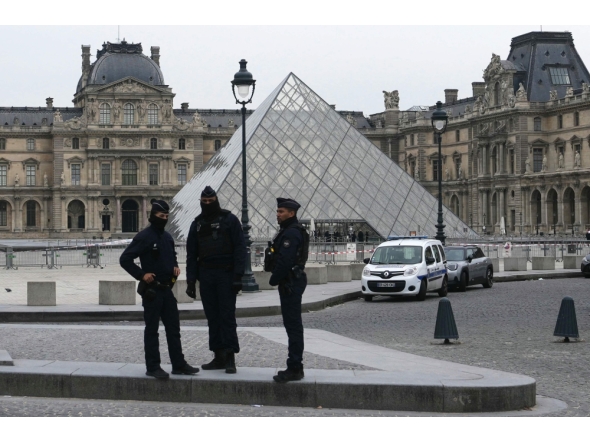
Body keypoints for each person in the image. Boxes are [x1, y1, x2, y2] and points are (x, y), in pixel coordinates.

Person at [120, 200, 199, 380]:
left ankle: (178, 364)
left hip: (166, 289)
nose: (164, 219)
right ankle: (153, 366)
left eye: (166, 216)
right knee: (152, 330)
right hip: (152, 291)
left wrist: (175, 267)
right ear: (152, 216)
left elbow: (171, 256)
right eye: (161, 216)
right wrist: (141, 275)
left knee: (173, 329)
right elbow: (125, 259)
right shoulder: (144, 236)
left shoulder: (168, 237)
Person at [185, 186, 246, 374]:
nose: (208, 204)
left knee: (227, 316)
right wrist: (190, 281)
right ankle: (218, 355)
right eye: (205, 202)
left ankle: (230, 357)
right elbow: (191, 254)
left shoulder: (230, 220)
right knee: (212, 317)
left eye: (211, 202)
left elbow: (240, 249)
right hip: (206, 275)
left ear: (217, 200)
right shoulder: (196, 224)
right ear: (201, 202)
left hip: (226, 275)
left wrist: (237, 277)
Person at [266, 198, 309, 383]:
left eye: (281, 211)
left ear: (291, 213)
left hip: (290, 282)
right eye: (278, 211)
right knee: (292, 325)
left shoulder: (291, 233)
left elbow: (285, 261)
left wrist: (273, 279)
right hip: (292, 281)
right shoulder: (290, 230)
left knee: (293, 326)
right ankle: (295, 365)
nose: (278, 214)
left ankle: (295, 367)